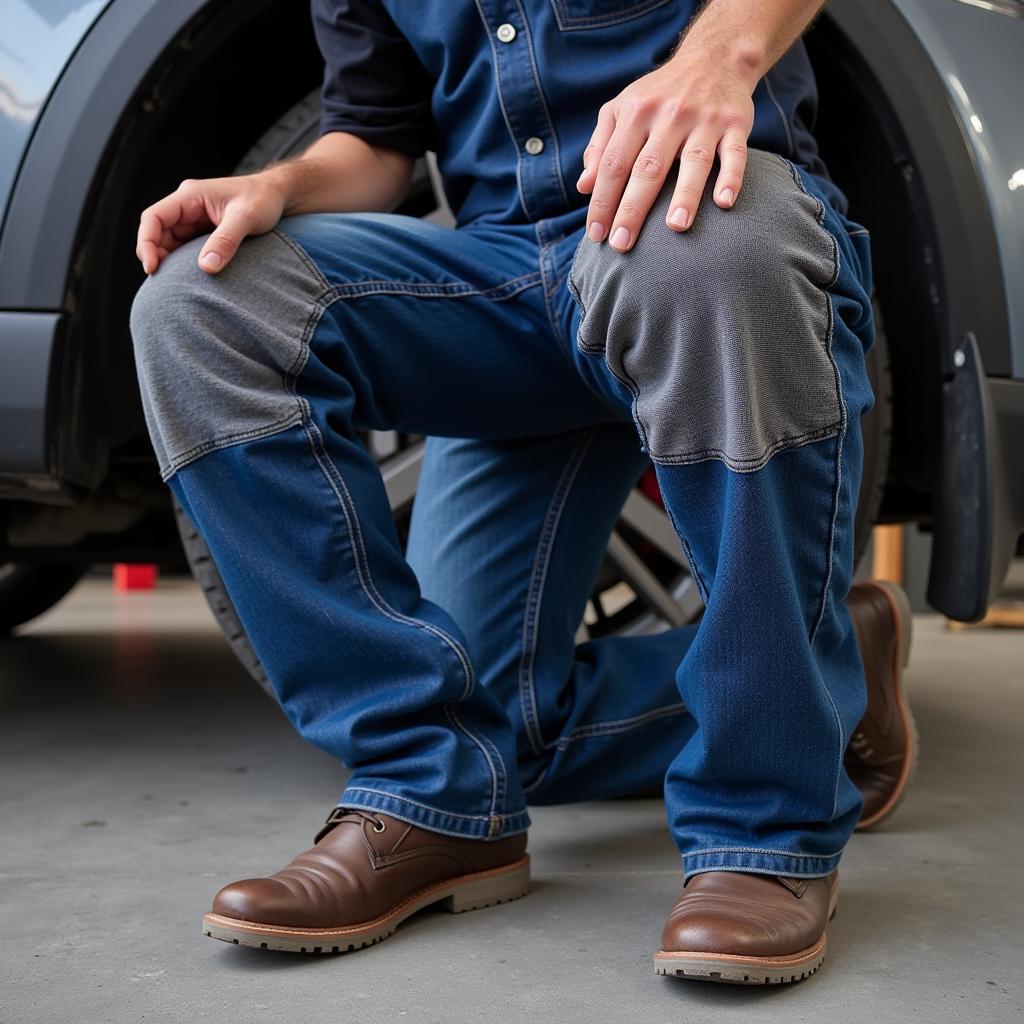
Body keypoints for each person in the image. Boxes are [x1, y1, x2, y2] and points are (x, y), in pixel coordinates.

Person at [129, 0, 917, 985]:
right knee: (199, 304)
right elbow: (373, 139)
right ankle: (433, 793)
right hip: (508, 285)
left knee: (701, 247)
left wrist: (721, 55)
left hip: (699, 234)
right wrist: (279, 183)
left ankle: (764, 821)